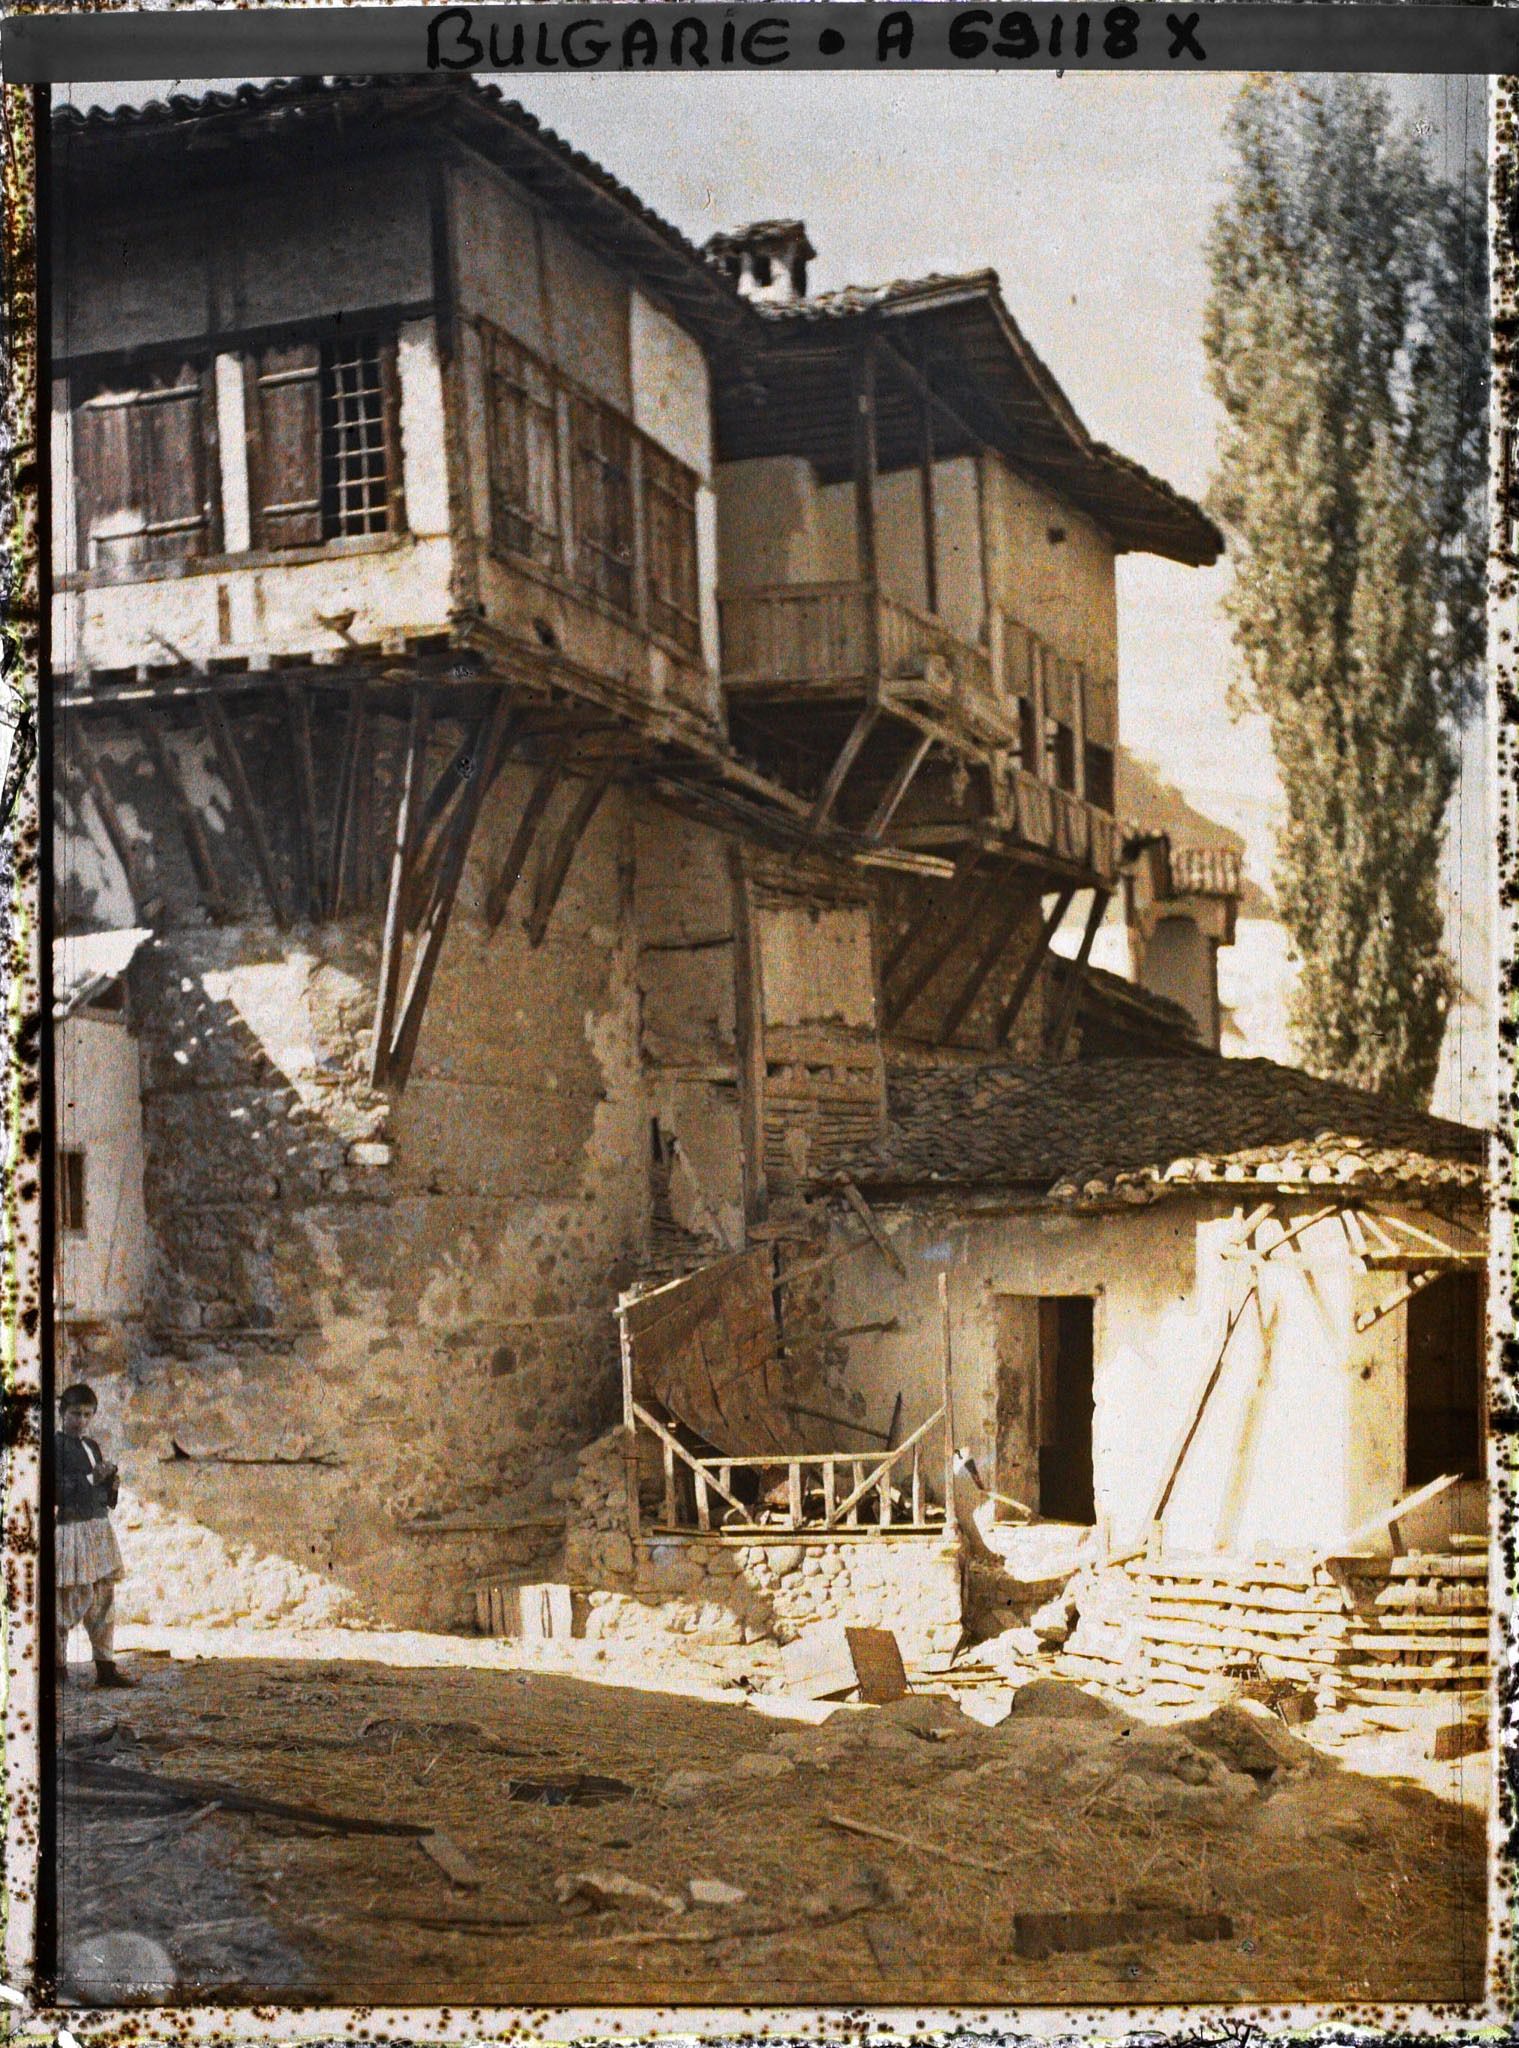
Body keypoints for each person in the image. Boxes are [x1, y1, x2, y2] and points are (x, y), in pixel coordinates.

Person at [56, 1382, 134, 1688]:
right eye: (75, 1414)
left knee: (103, 1597)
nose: (81, 1421)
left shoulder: (91, 1446)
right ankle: (57, 1667)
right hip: (71, 1530)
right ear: (62, 1413)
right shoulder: (54, 1447)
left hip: (98, 1529)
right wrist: (91, 1478)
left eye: (88, 1415)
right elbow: (55, 1489)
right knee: (68, 1600)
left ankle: (105, 1666)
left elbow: (101, 1496)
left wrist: (110, 1484)